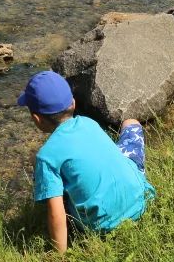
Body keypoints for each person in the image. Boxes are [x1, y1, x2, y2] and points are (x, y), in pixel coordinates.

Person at [17, 71, 154, 254]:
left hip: (102, 225)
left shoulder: (46, 156)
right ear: (73, 103)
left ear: (36, 118)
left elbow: (55, 212)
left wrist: (60, 255)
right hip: (141, 198)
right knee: (130, 122)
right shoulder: (89, 123)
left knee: (44, 174)